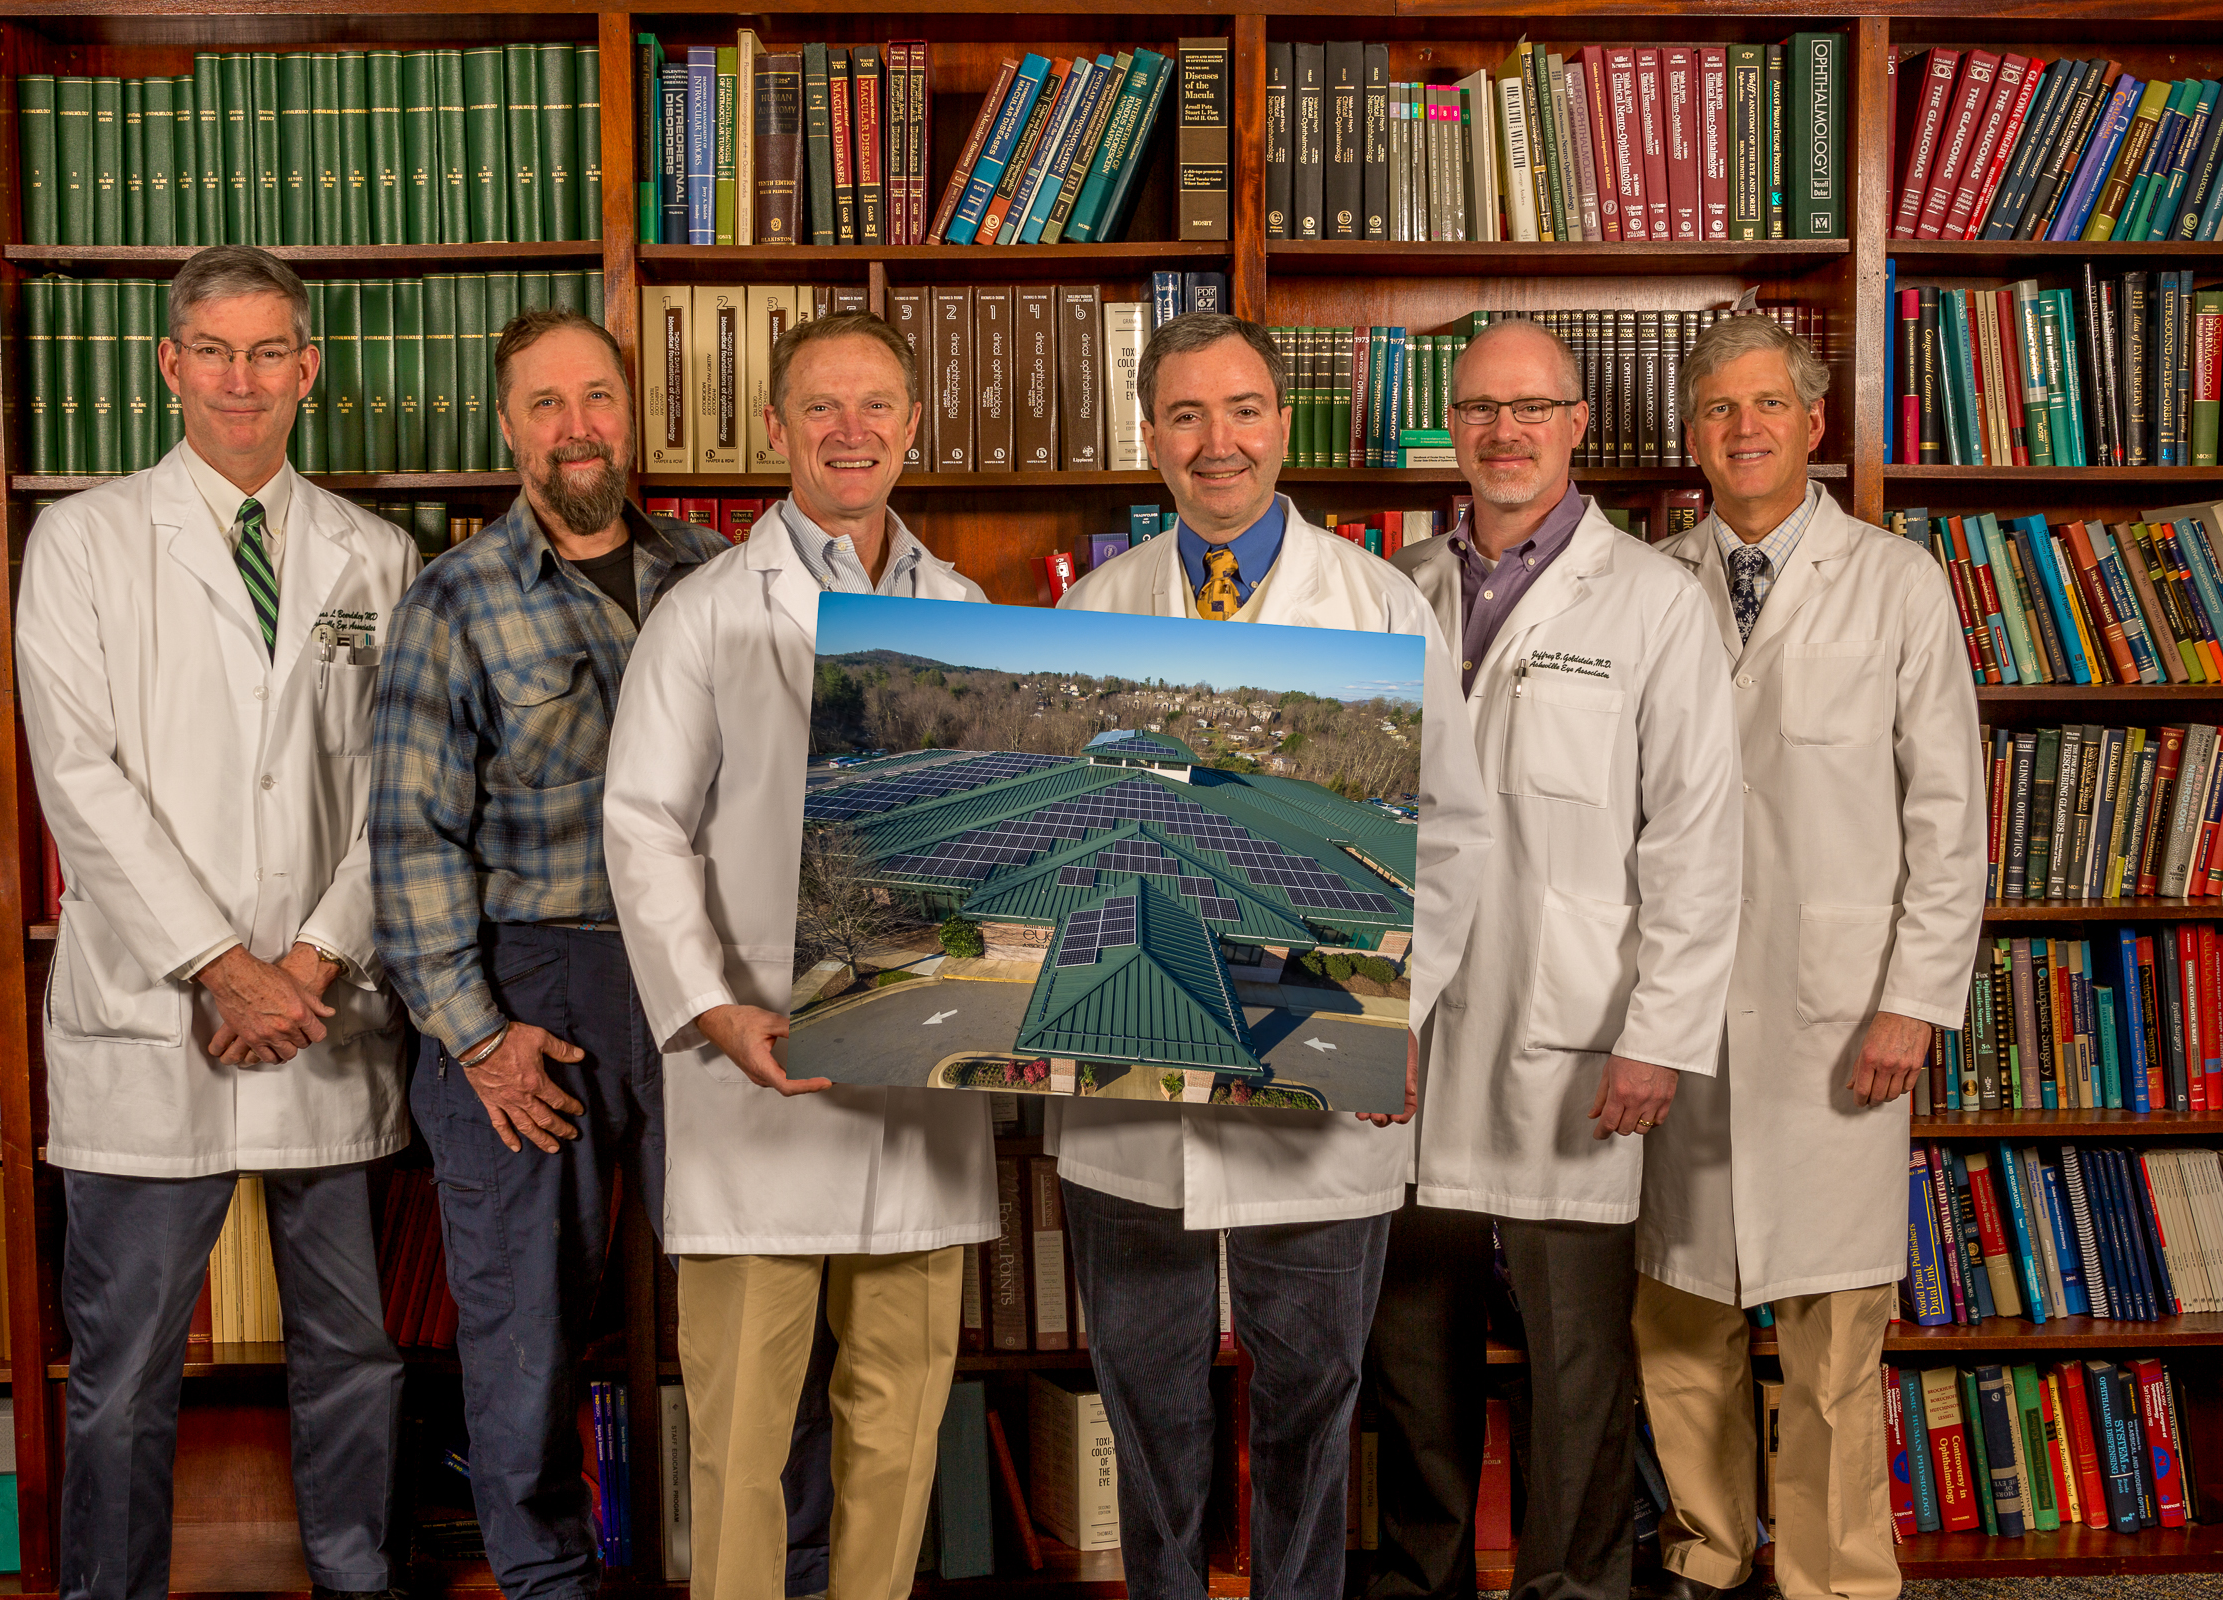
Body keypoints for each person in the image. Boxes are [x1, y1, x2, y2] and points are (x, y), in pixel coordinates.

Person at [369, 306, 809, 1600]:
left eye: (598, 397)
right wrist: (476, 1036)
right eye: (546, 404)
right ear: (508, 427)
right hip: (531, 988)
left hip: (710, 980)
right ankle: (548, 1580)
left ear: (634, 412)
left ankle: (782, 1569)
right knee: (523, 1330)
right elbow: (407, 837)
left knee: (754, 1298)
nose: (577, 427)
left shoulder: (722, 575)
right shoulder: (451, 602)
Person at [1053, 312, 1493, 1600]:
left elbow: (1456, 834)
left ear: (1281, 424)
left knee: (1313, 1394)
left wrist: (1403, 1005)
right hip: (1129, 1099)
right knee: (1149, 1398)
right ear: (1149, 438)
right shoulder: (1097, 607)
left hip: (1321, 1061)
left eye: (1242, 409)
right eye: (1185, 415)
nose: (1217, 440)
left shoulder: (1378, 603)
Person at [14, 244, 414, 1600]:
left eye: (269, 354)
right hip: (156, 1012)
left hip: (326, 1006)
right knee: (123, 1368)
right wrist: (223, 968)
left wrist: (305, 961)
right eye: (214, 353)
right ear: (171, 365)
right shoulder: (81, 540)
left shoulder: (377, 553)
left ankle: (352, 1577)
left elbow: (395, 789)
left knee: (353, 1351)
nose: (241, 380)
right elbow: (77, 777)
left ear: (308, 371)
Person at [603, 312, 999, 1600]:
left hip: (919, 1074)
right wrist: (712, 1011)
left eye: (876, 406)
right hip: (758, 1066)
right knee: (740, 1440)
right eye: (820, 408)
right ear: (775, 430)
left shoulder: (967, 610)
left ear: (913, 427)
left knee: (897, 1427)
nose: (850, 431)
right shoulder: (708, 609)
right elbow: (643, 824)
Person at [1376, 316, 1743, 1600]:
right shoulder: (1395, 590)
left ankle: (1575, 1590)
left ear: (1578, 423)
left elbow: (1699, 834)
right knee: (1412, 1365)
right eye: (1481, 407)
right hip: (1408, 1043)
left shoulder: (1651, 600)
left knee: (1577, 1373)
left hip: (1576, 1043)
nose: (1505, 431)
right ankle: (1423, 1582)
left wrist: (1660, 1030)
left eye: (1532, 407)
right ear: (1452, 426)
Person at [1635, 314, 1984, 1600]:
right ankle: (1710, 1556)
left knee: (1834, 1334)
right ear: (1691, 437)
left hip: (1840, 1018)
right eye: (1719, 408)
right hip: (1677, 1013)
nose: (1744, 428)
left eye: (1768, 404)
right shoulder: (1649, 582)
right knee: (1679, 1312)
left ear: (1814, 423)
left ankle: (1836, 1577)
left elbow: (1949, 815)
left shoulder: (1897, 581)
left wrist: (1913, 1001)